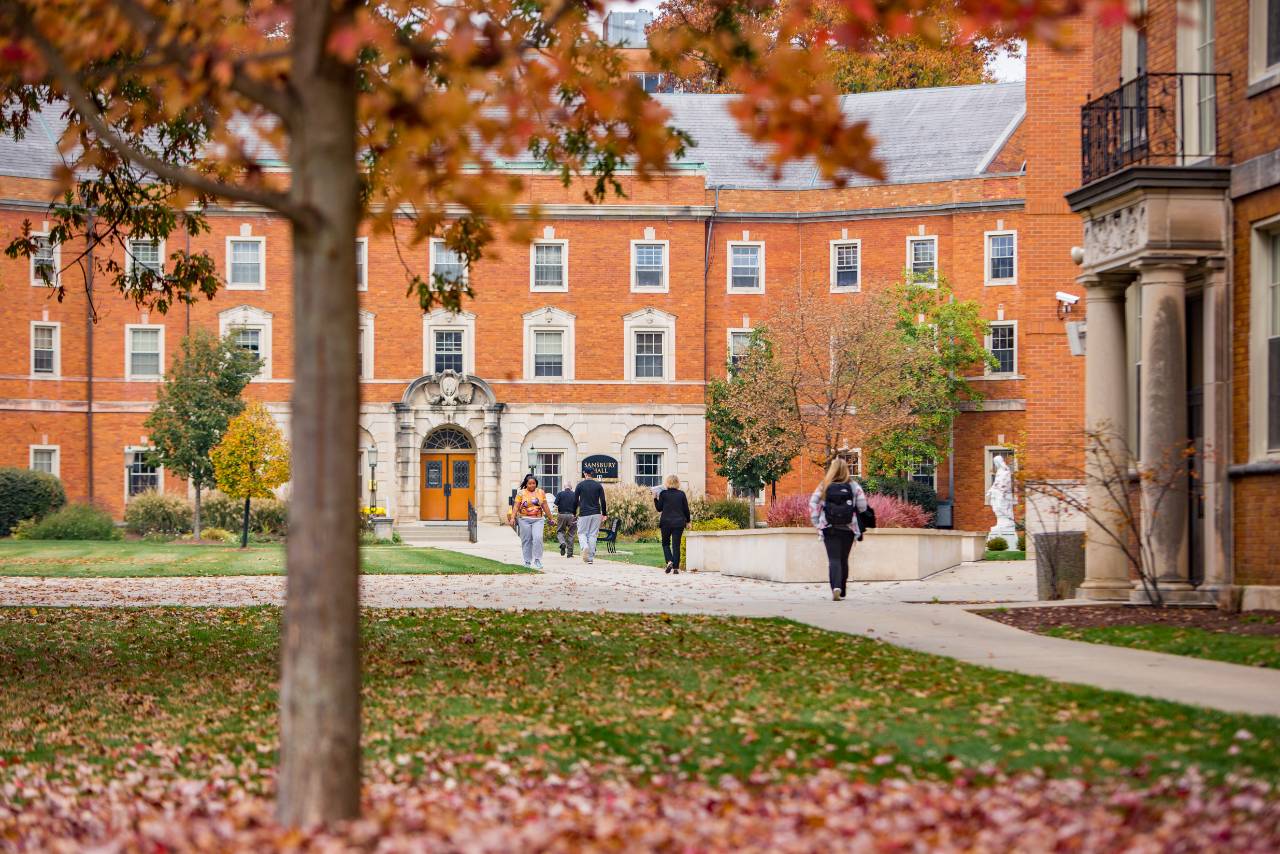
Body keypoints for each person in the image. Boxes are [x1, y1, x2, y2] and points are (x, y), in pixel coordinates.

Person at [809, 457, 868, 601]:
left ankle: (835, 587)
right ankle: (842, 589)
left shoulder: (824, 485)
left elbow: (813, 503)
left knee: (833, 559)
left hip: (829, 527)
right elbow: (862, 506)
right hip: (849, 528)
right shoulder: (854, 486)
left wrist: (817, 523)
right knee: (843, 559)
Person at [509, 473, 554, 569]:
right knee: (526, 540)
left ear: (536, 484)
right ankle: (527, 561)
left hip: (538, 520)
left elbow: (545, 506)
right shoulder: (521, 493)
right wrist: (512, 518)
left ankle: (537, 560)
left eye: (533, 483)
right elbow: (516, 506)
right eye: (530, 484)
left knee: (538, 538)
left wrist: (551, 518)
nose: (532, 485)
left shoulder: (541, 492)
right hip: (524, 519)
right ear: (526, 484)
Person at [654, 474, 691, 574]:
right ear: (677, 483)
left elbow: (659, 508)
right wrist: (688, 521)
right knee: (676, 545)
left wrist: (655, 498)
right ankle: (675, 568)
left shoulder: (663, 494)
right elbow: (686, 510)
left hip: (666, 522)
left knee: (665, 543)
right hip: (679, 523)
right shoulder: (681, 494)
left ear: (667, 483)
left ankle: (669, 561)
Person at [573, 469, 608, 564]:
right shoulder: (598, 485)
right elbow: (603, 500)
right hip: (596, 513)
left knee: (581, 533)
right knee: (593, 534)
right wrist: (604, 514)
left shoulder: (580, 485)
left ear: (585, 474)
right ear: (592, 474)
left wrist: (573, 513)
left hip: (584, 513)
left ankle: (584, 547)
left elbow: (575, 501)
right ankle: (590, 558)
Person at [553, 480, 578, 558]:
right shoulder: (575, 495)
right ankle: (570, 554)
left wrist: (556, 514)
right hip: (572, 516)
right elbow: (578, 505)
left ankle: (562, 543)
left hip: (561, 515)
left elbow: (555, 505)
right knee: (571, 534)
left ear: (564, 487)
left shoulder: (560, 494)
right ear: (571, 487)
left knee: (560, 531)